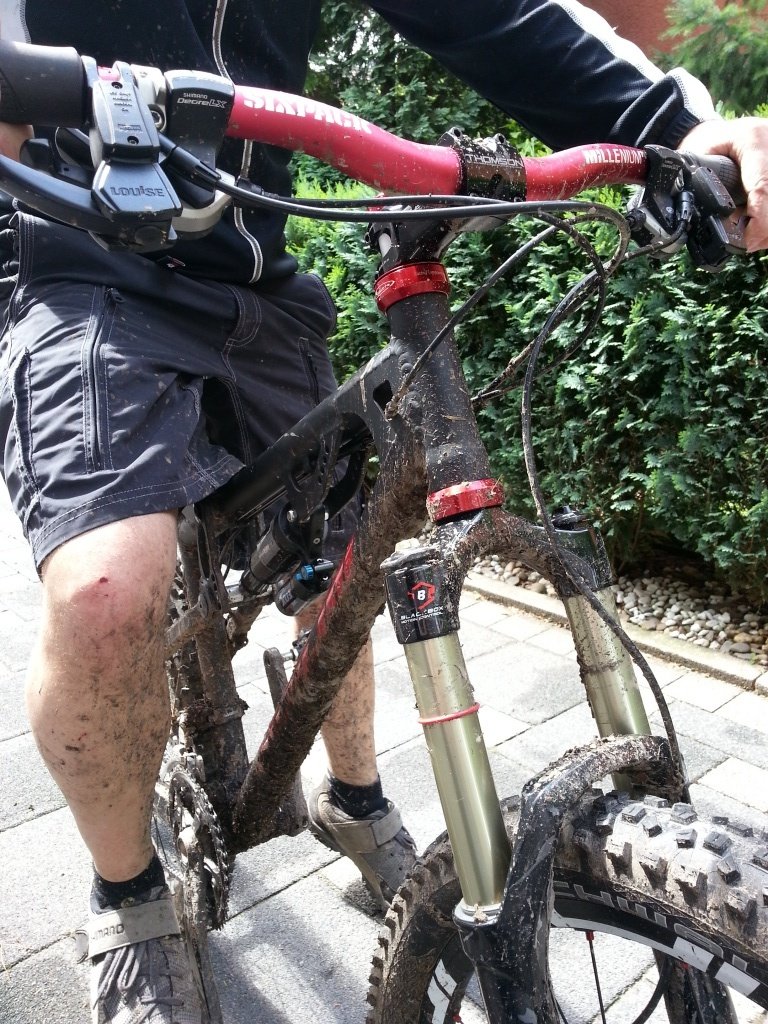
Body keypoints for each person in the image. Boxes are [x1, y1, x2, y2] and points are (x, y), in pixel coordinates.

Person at [0, 2, 767, 1023]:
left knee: (349, 554)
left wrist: (673, 124)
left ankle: (354, 797)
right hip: (84, 264)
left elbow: (497, 16)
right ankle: (129, 894)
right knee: (106, 590)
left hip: (259, 283)